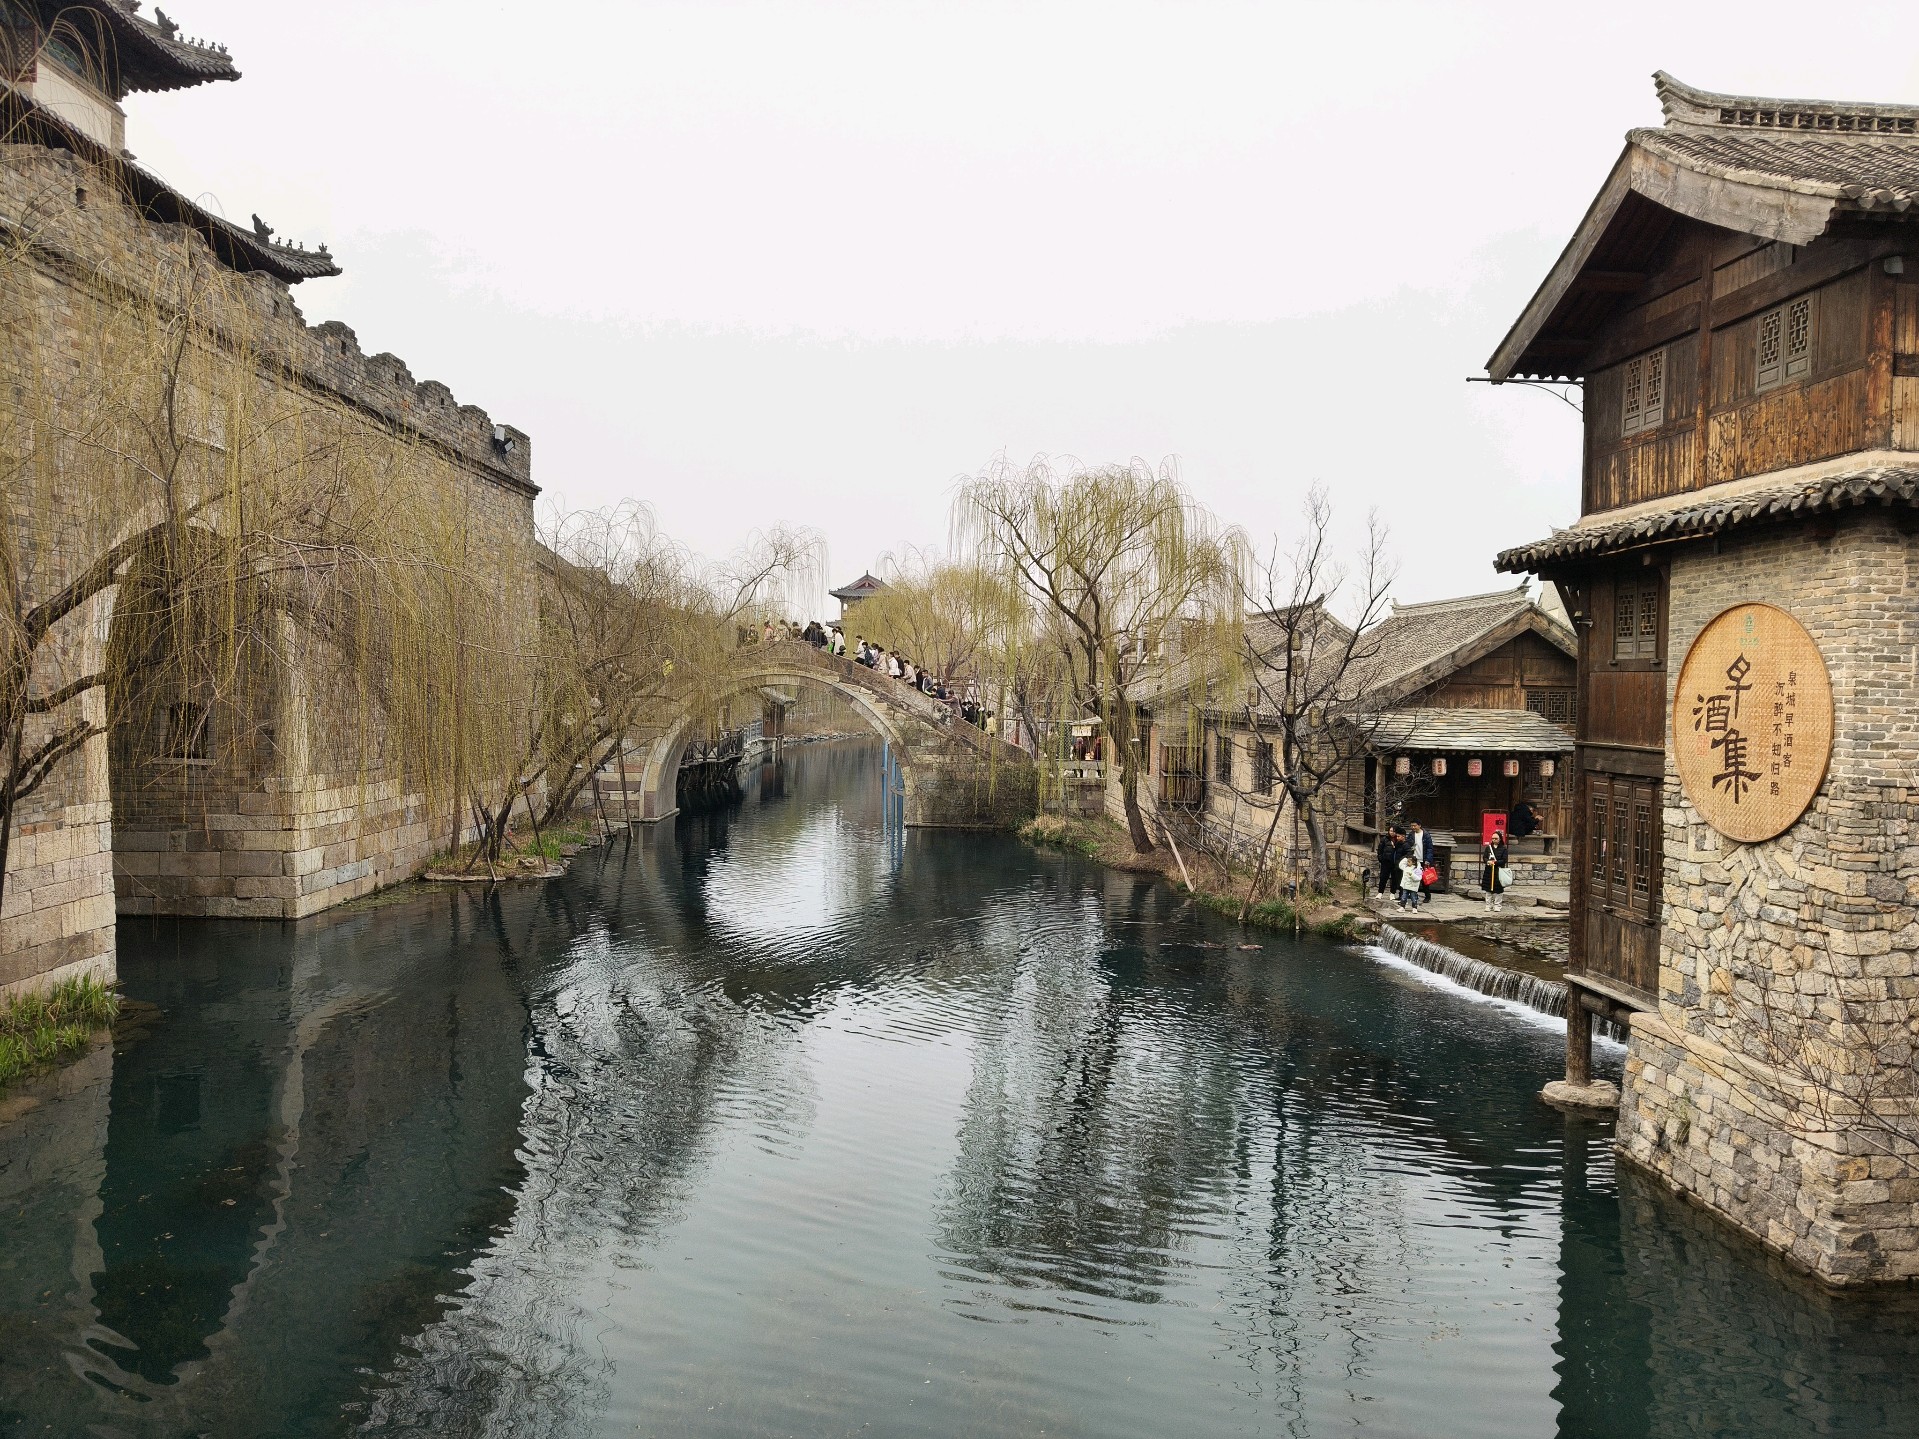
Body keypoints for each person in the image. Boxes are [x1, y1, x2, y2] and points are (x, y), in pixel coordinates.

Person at [1482, 826, 1510, 913]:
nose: (1494, 840)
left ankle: (1497, 905)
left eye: (1496, 838)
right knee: (1488, 889)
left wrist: (1495, 862)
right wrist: (1488, 862)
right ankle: (1488, 905)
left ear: (1500, 839)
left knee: (1498, 889)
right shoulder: (1488, 848)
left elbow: (1504, 860)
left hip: (1498, 871)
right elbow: (1484, 857)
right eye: (1493, 838)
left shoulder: (1504, 849)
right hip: (1489, 871)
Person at [1408, 822, 1435, 905]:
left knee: (1424, 879)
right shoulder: (1411, 834)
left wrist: (1428, 859)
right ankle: (1413, 895)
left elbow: (1430, 848)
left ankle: (1427, 896)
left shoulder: (1426, 835)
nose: (1413, 827)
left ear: (1419, 825)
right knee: (1412, 877)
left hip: (1423, 859)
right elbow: (1408, 845)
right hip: (1414, 859)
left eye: (1415, 825)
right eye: (1412, 826)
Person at [1374, 827, 1401, 897]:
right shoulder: (1384, 839)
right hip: (1386, 861)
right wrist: (1381, 858)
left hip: (1395, 862)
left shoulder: (1398, 839)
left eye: (1394, 831)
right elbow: (1380, 849)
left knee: (1394, 878)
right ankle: (1380, 892)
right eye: (1391, 831)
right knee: (1383, 877)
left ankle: (1392, 893)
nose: (1392, 833)